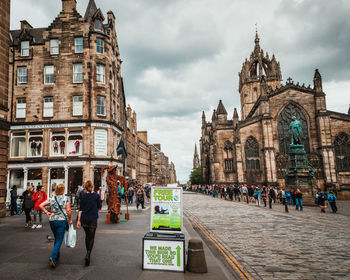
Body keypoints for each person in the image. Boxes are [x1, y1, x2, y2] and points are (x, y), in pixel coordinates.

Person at [39, 184, 72, 268]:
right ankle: (53, 257)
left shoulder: (51, 198)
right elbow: (68, 210)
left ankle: (56, 256)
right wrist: (70, 219)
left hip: (52, 220)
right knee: (59, 240)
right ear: (63, 190)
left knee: (56, 238)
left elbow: (41, 205)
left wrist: (47, 212)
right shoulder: (66, 198)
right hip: (62, 220)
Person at [77, 181, 102, 266]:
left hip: (84, 218)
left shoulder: (83, 196)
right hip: (93, 218)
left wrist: (78, 220)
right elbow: (99, 207)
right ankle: (88, 254)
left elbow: (80, 209)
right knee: (92, 237)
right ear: (92, 186)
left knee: (87, 236)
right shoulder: (96, 196)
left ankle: (87, 252)